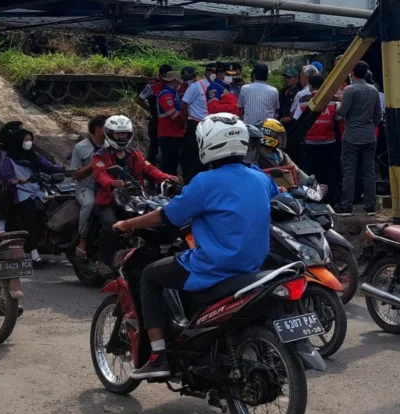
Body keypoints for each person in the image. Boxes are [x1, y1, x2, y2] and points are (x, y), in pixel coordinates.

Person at [112, 113, 274, 379]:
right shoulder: (260, 178)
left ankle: (159, 356)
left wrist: (127, 224)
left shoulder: (204, 182)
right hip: (253, 266)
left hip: (214, 267)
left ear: (207, 144)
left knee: (151, 276)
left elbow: (165, 217)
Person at [93, 115, 177, 273]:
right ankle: (104, 262)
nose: (122, 137)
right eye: (118, 134)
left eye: (124, 134)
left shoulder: (135, 154)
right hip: (109, 199)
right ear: (110, 134)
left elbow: (150, 170)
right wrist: (112, 183)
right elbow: (100, 174)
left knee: (151, 220)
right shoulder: (100, 155)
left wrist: (168, 177)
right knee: (110, 225)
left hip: (135, 198)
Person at [0, 126, 64, 268]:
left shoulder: (33, 156)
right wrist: (18, 181)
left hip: (36, 191)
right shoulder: (9, 160)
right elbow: (6, 178)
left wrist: (68, 170)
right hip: (20, 193)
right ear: (19, 141)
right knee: (30, 221)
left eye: (30, 140)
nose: (28, 142)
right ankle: (34, 256)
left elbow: (48, 166)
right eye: (26, 140)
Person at [336, 61, 383, 215]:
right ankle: (370, 206)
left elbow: (341, 112)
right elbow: (378, 116)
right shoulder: (374, 91)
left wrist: (337, 105)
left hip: (351, 136)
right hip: (369, 135)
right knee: (369, 171)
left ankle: (346, 206)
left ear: (353, 73)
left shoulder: (349, 90)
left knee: (349, 170)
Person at [71, 113, 107, 262]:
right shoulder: (81, 147)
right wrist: (94, 164)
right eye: (108, 126)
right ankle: (82, 240)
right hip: (86, 187)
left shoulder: (111, 145)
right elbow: (75, 174)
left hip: (105, 187)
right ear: (98, 129)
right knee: (89, 203)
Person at [301, 73, 341, 204]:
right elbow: (338, 119)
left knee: (311, 174)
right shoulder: (333, 100)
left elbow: (297, 120)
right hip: (329, 143)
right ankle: (329, 201)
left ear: (310, 86)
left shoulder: (303, 100)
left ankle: (313, 201)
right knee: (328, 173)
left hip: (309, 144)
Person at [135, 64, 172, 166]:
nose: (167, 77)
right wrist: (150, 110)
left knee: (168, 147)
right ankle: (150, 173)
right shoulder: (152, 86)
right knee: (154, 147)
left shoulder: (173, 85)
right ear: (160, 74)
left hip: (170, 120)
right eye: (165, 74)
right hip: (156, 120)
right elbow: (139, 100)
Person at [255, 118, 306, 189]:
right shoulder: (254, 156)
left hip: (289, 194)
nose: (281, 139)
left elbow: (298, 173)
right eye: (279, 136)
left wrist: (312, 183)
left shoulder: (281, 154)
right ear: (269, 136)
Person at [180, 68, 211, 182]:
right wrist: (187, 121)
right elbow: (183, 105)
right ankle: (190, 184)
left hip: (209, 126)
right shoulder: (196, 86)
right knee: (193, 157)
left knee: (206, 158)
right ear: (207, 72)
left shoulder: (218, 87)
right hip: (195, 124)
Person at [155, 70, 184, 176]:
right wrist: (187, 114)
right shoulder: (165, 94)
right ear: (174, 81)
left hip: (176, 133)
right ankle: (163, 186)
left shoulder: (173, 93)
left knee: (173, 162)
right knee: (167, 162)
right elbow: (173, 114)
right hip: (167, 133)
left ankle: (171, 186)